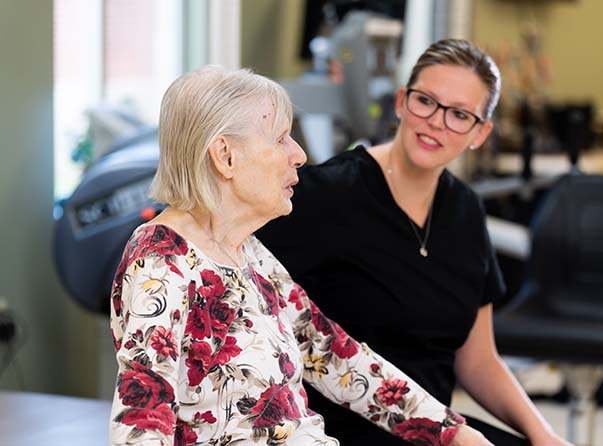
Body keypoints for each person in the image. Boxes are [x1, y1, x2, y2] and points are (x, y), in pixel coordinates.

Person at [108, 66, 494, 446]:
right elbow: (140, 425)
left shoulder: (247, 252)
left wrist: (452, 431)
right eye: (280, 139)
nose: (299, 154)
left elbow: (332, 355)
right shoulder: (161, 259)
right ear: (225, 156)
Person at [257, 39, 573, 446]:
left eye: (460, 114)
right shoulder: (328, 194)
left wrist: (544, 435)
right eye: (427, 101)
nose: (438, 122)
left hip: (437, 428)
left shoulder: (465, 211)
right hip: (340, 429)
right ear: (403, 101)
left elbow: (477, 361)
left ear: (481, 132)